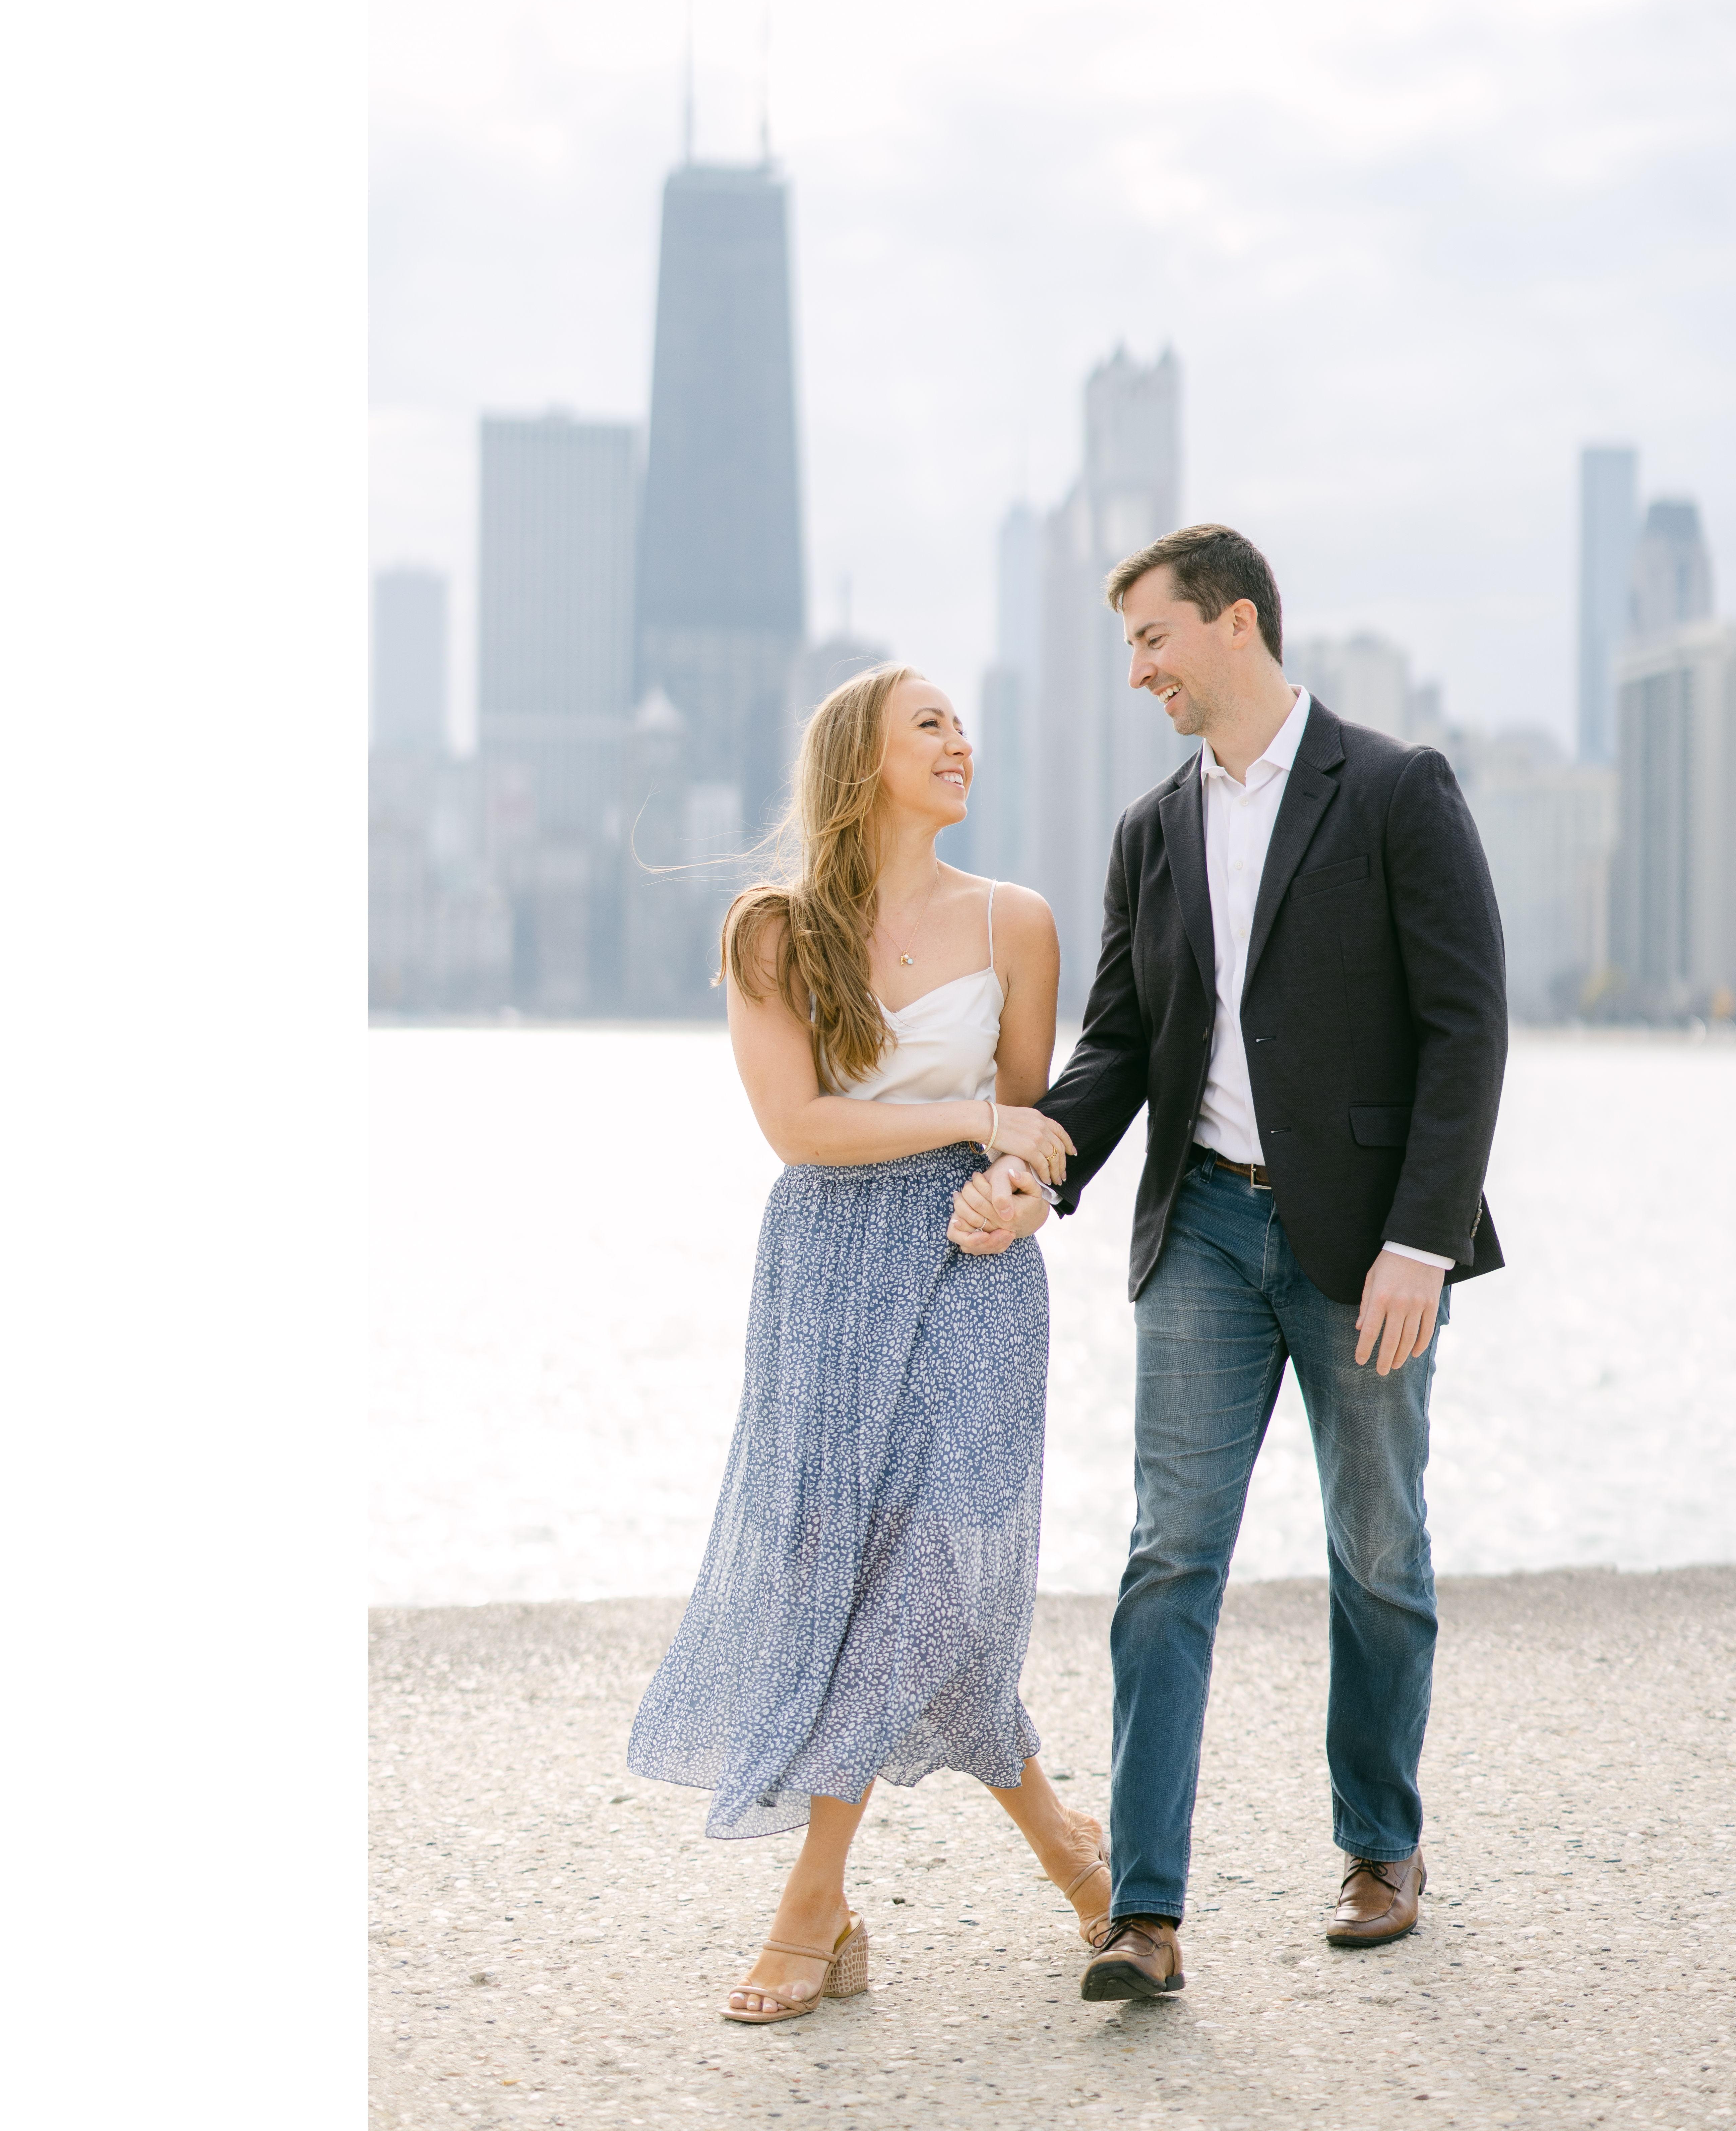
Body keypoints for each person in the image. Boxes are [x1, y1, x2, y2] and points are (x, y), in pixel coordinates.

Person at [950, 524, 1508, 2004]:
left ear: (1234, 623)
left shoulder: (1395, 790)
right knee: (1167, 1555)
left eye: (1150, 639)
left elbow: (1467, 1029)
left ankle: (1381, 1846)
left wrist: (1418, 1243)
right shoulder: (1153, 830)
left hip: (1366, 1244)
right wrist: (1034, 1158)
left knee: (1375, 1547)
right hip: (1200, 1226)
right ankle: (1143, 1910)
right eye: (1128, 647)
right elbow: (1123, 1045)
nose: (1135, 671)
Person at [626, 664, 1112, 2026]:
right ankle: (1070, 1848)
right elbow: (800, 1129)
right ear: (861, 762)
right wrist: (968, 1127)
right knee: (835, 1568)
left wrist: (1009, 1187)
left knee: (924, 1567)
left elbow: (1026, 1126)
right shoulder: (776, 931)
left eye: (963, 724)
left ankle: (806, 1904)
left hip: (971, 1264)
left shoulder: (1018, 922)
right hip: (829, 1263)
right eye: (930, 725)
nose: (962, 741)